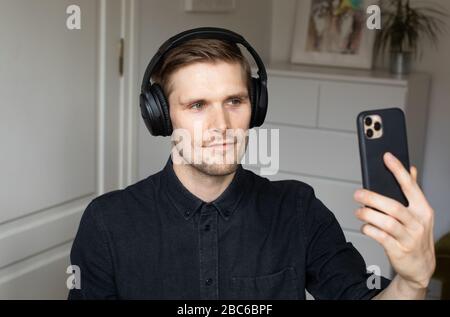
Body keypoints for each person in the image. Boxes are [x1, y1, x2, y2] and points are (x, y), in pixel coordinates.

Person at [68, 28, 435, 300]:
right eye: (197, 105)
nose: (222, 126)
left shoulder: (297, 209)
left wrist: (413, 282)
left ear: (255, 106)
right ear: (161, 117)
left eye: (234, 101)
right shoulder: (107, 223)